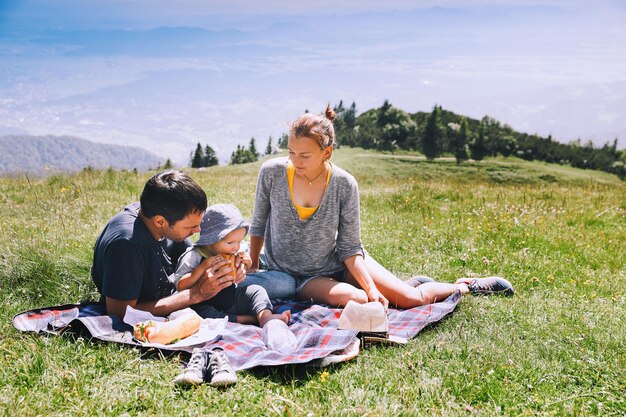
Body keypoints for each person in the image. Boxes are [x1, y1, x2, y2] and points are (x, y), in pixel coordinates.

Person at [242, 105, 514, 309]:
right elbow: (258, 225)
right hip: (302, 278)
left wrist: (372, 287)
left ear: (327, 152)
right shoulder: (272, 173)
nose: (295, 161)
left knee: (411, 301)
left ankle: (465, 286)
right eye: (291, 152)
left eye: (304, 155)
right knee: (360, 300)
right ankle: (396, 286)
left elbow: (349, 248)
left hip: (342, 262)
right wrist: (253, 265)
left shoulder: (344, 184)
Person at [91, 170, 241, 318]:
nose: (198, 230)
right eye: (190, 227)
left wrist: (232, 266)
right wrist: (196, 294)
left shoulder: (158, 213)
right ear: (160, 221)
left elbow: (193, 259)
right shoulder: (127, 246)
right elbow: (120, 312)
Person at [171, 203, 291, 326]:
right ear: (210, 240)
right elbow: (180, 285)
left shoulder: (231, 252)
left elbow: (244, 270)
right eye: (230, 242)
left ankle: (265, 316)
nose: (236, 247)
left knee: (257, 290)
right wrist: (201, 268)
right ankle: (250, 320)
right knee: (205, 315)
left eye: (239, 241)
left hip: (232, 298)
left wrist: (246, 263)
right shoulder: (193, 256)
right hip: (205, 304)